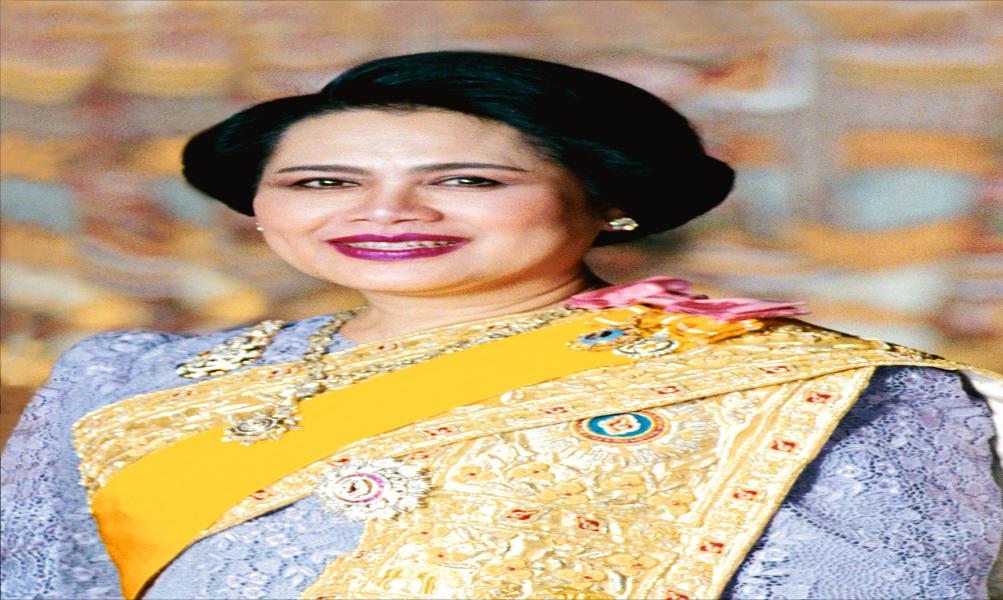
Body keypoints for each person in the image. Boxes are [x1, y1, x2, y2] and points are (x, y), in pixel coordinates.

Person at [2, 51, 1000, 600]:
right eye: (321, 183)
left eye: (468, 181)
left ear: (608, 200)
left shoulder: (822, 390)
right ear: (260, 209)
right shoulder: (122, 377)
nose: (386, 213)